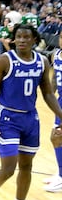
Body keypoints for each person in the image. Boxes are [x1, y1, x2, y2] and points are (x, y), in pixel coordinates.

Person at [0, 24, 62, 200]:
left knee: (27, 167)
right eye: (18, 37)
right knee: (8, 168)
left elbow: (48, 94)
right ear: (14, 39)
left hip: (30, 119)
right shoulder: (3, 60)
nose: (22, 40)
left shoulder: (42, 62)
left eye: (26, 37)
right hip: (7, 117)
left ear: (35, 39)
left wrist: (61, 115)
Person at [43, 47, 62, 192]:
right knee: (57, 138)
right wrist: (50, 94)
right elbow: (55, 77)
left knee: (56, 137)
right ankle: (60, 174)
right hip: (60, 101)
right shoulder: (57, 54)